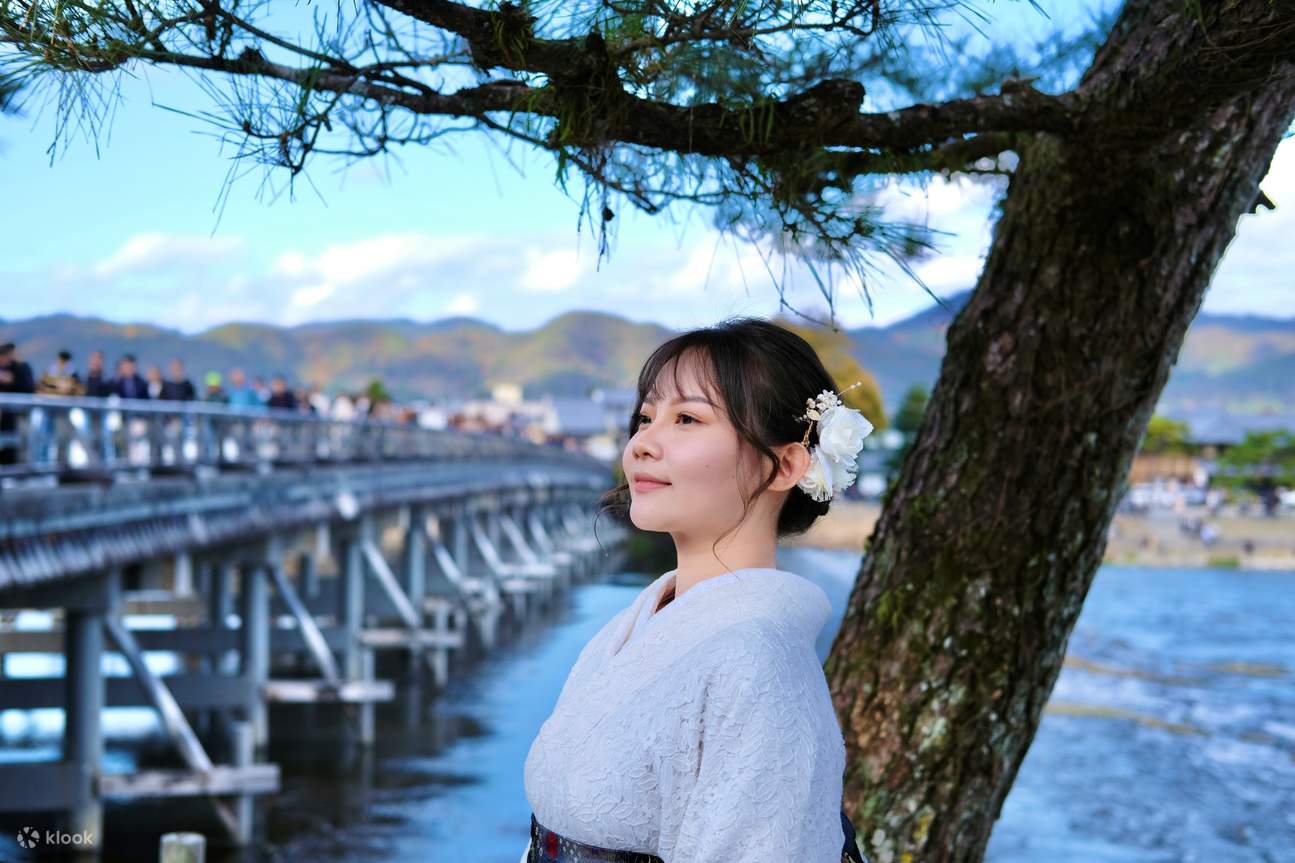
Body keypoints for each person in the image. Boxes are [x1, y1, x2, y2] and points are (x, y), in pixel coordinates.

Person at [521, 318, 872, 863]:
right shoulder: (642, 624)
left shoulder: (759, 661)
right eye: (644, 417)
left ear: (784, 464)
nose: (641, 444)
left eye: (686, 418)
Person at [1, 342, 38, 466]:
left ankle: (20, 469)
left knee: (21, 441)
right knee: (8, 441)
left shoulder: (21, 367)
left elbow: (29, 387)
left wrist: (13, 380)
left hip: (21, 412)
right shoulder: (5, 368)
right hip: (6, 415)